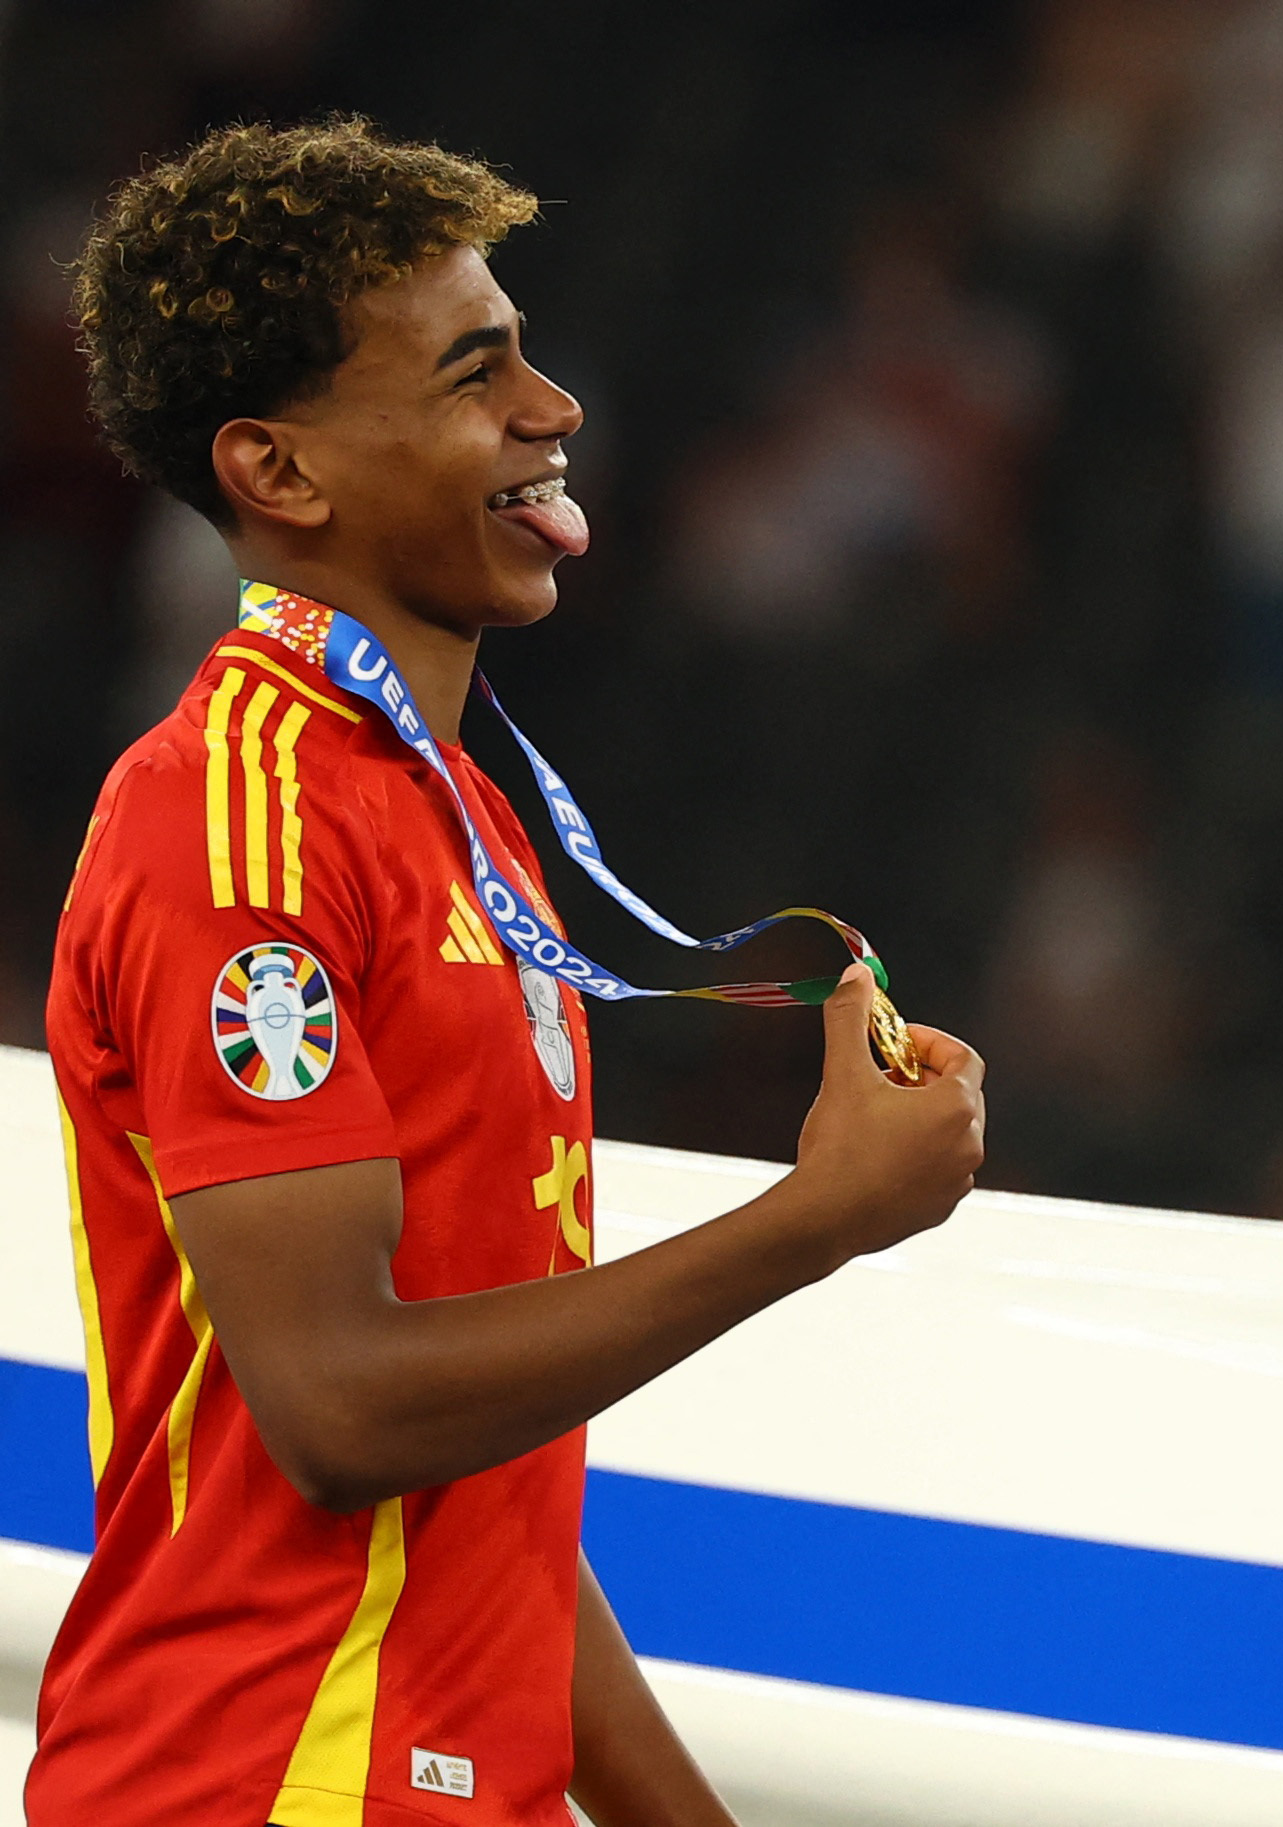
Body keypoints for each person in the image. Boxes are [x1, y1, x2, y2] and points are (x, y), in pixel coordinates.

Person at [34, 118, 987, 1827]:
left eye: (531, 355)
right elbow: (341, 1408)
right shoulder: (228, 828)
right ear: (283, 472)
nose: (553, 410)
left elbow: (482, 1481)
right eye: (482, 372)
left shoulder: (449, 808)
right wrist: (817, 1218)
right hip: (260, 1785)